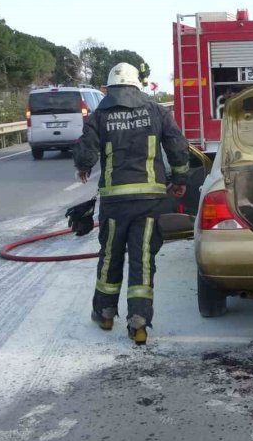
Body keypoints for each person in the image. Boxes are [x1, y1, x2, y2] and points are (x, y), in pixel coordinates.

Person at [75, 62, 191, 346]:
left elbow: (85, 149)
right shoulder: (157, 111)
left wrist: (83, 167)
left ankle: (104, 313)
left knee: (111, 255)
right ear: (137, 86)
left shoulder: (100, 115)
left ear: (110, 88)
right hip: (149, 202)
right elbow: (177, 146)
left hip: (115, 202)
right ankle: (138, 322)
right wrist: (180, 179)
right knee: (142, 260)